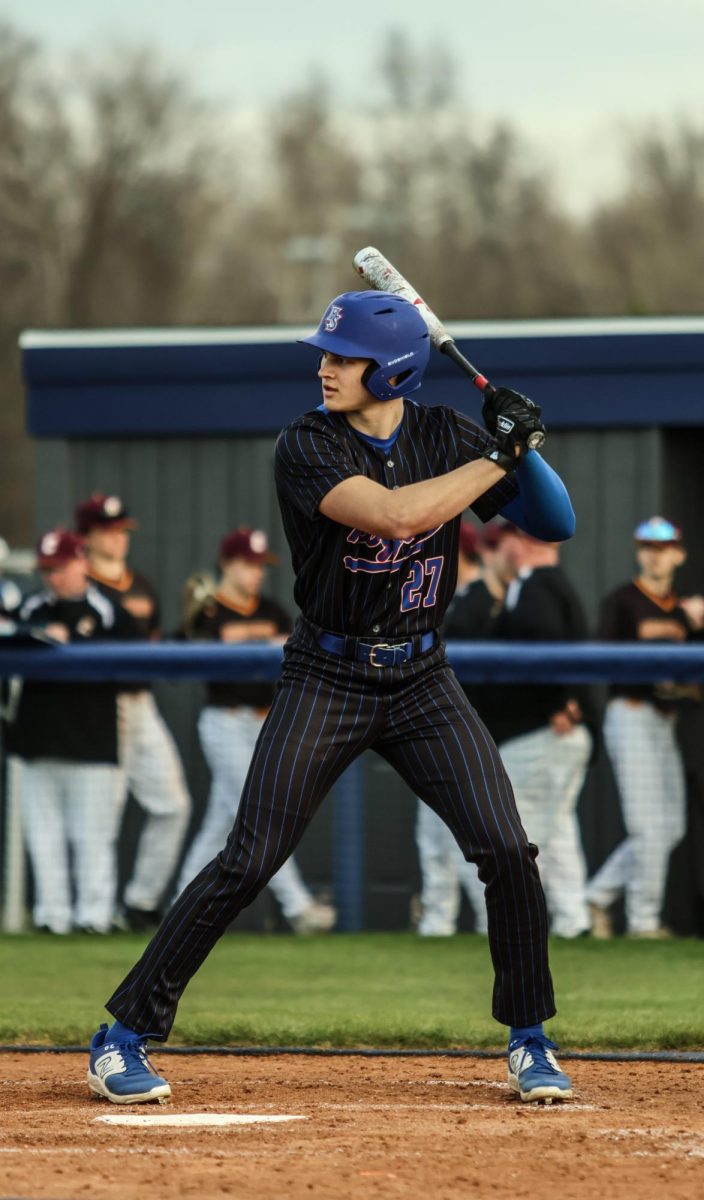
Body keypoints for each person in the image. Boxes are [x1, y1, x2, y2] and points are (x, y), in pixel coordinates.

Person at [87, 288, 576, 1107]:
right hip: (329, 673)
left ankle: (530, 1039)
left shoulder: (445, 433)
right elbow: (391, 517)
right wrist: (497, 458)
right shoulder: (305, 445)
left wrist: (526, 446)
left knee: (506, 850)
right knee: (249, 858)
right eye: (327, 353)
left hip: (424, 678)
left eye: (344, 357)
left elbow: (552, 524)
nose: (326, 367)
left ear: (392, 369)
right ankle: (122, 1034)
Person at [176, 526, 335, 934]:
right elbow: (179, 648)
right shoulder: (211, 610)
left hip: (265, 720)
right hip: (225, 721)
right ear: (227, 564)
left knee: (220, 822)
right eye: (248, 564)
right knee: (261, 815)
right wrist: (194, 625)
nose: (256, 573)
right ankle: (298, 907)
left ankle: (178, 905)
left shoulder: (271, 610)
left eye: (261, 565)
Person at [4, 530, 138, 934]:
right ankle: (51, 916)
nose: (53, 577)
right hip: (37, 738)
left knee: (92, 835)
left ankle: (93, 917)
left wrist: (73, 641)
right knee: (43, 835)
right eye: (47, 569)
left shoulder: (107, 609)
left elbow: (137, 658)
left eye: (60, 568)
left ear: (81, 562)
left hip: (90, 739)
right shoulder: (30, 607)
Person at [586, 517, 704, 938]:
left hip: (665, 721)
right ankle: (642, 921)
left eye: (663, 548)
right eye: (647, 548)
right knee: (647, 827)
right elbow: (602, 658)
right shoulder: (623, 600)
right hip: (632, 712)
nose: (655, 555)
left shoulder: (683, 608)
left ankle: (597, 898)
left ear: (678, 554)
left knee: (671, 825)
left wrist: (695, 625)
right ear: (639, 553)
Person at [76, 493, 192, 932]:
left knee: (173, 805)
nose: (119, 538)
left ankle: (141, 901)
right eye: (108, 530)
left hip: (141, 702)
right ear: (86, 536)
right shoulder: (80, 583)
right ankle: (95, 912)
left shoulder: (139, 582)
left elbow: (155, 644)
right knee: (105, 812)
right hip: (99, 705)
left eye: (122, 530)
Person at [492, 528, 595, 938]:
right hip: (557, 734)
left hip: (542, 733)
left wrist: (557, 702)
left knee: (523, 831)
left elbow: (548, 642)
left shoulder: (537, 585)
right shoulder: (547, 584)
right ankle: (574, 921)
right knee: (558, 831)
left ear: (520, 541)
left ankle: (519, 926)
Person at [413, 521, 501, 936]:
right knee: (433, 837)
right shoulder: (449, 599)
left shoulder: (477, 599)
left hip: (463, 731)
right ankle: (437, 922)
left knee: (466, 837)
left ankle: (481, 919)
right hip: (437, 727)